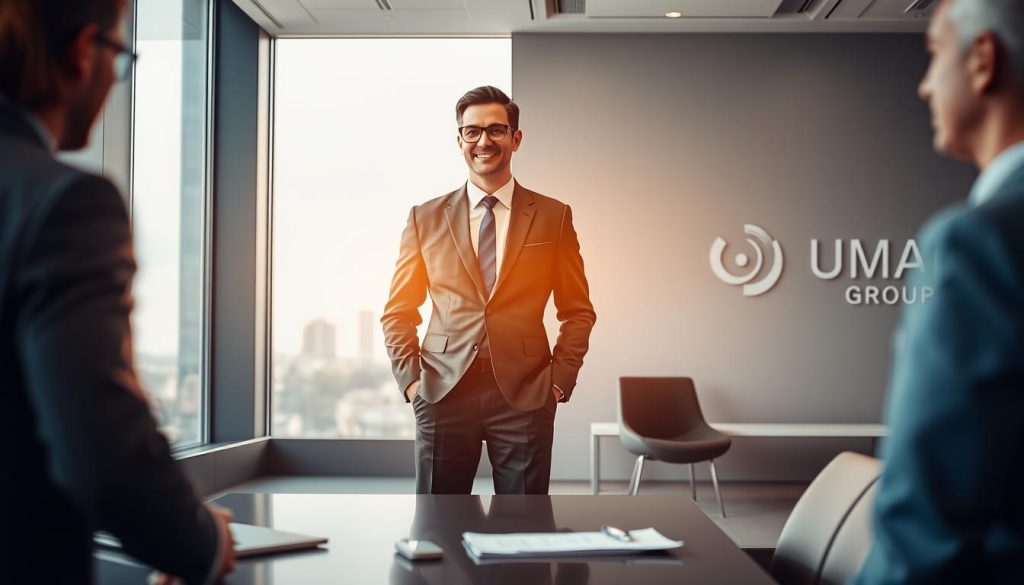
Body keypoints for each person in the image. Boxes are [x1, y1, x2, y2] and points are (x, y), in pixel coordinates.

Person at [0, 0, 235, 583]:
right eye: (122, 56)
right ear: (83, 52)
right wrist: (202, 542)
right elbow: (100, 447)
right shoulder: (62, 203)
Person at [854, 0, 1024, 582]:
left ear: (983, 59)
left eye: (932, 54)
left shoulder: (977, 244)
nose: (925, 87)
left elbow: (923, 534)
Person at [382, 86, 596, 495]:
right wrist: (412, 382)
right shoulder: (424, 217)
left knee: (525, 524)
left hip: (525, 394)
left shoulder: (553, 216)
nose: (484, 141)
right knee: (436, 524)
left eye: (496, 130)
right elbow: (398, 310)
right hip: (442, 389)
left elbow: (578, 310)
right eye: (472, 132)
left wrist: (557, 382)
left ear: (516, 138)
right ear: (459, 140)